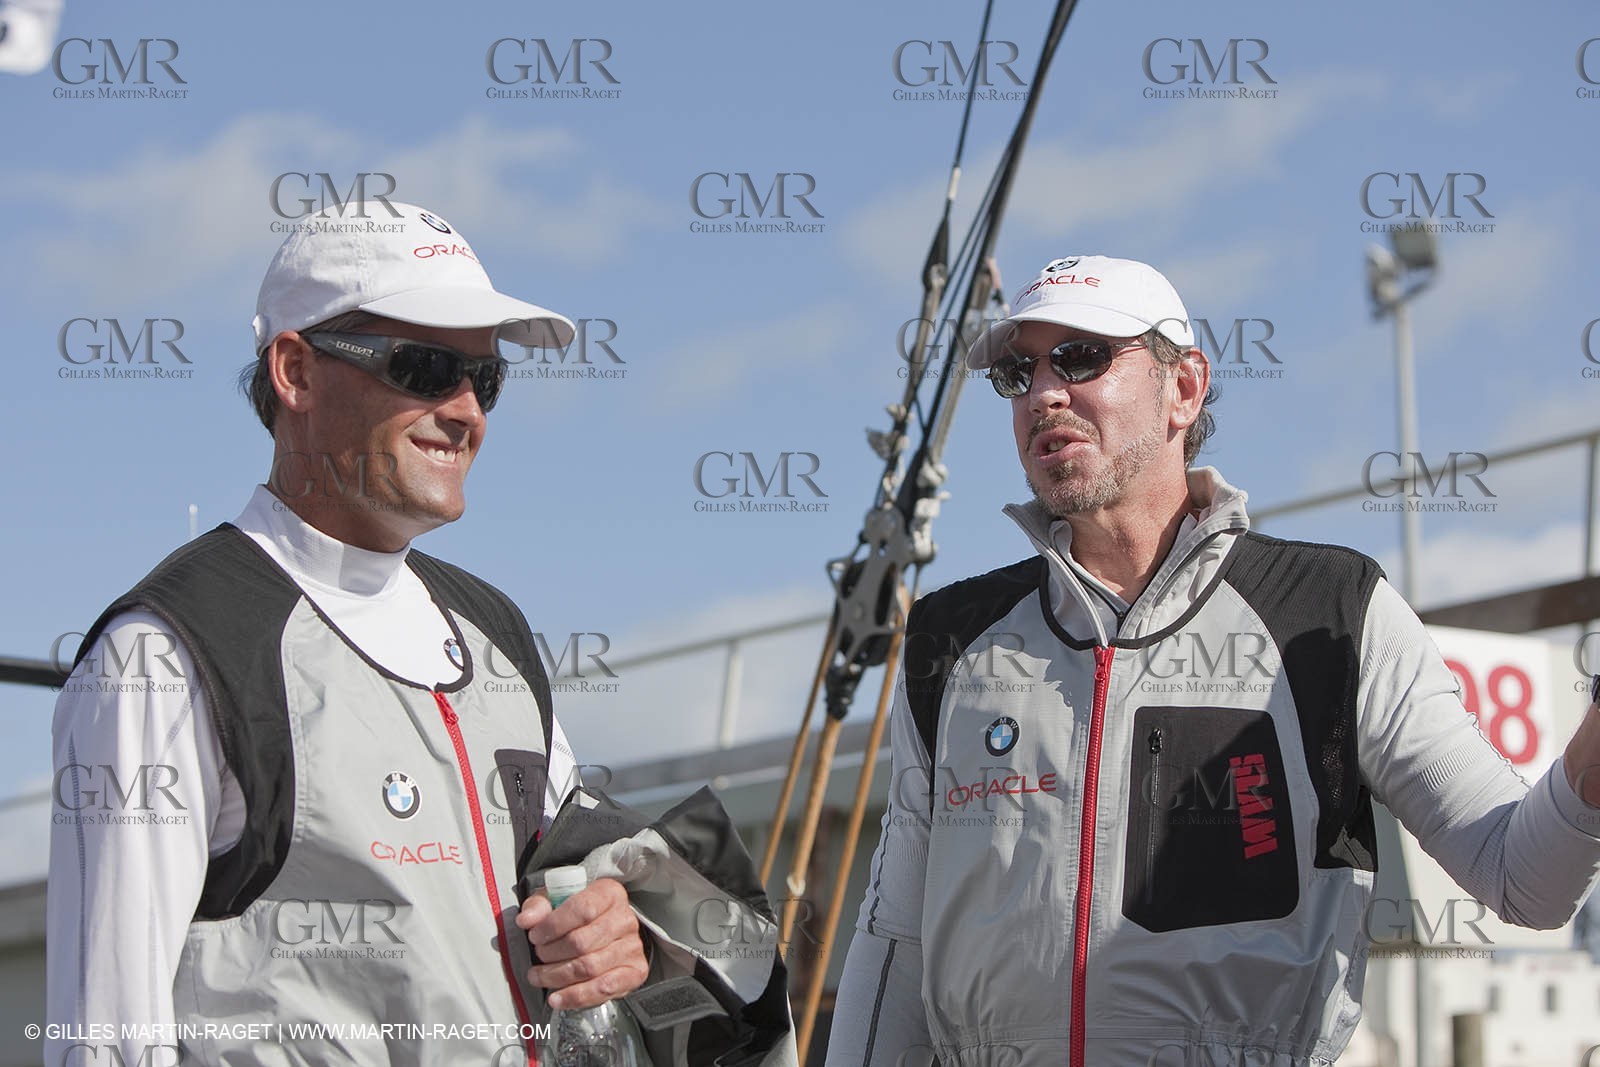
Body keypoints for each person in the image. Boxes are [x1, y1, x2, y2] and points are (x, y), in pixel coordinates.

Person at [826, 255, 1600, 1067]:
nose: (1043, 393)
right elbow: (896, 941)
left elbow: (1525, 878)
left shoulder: (1331, 609)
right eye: (1020, 372)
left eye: (1081, 357)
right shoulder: (951, 640)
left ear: (1185, 388)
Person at [46, 204, 648, 1067]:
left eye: (486, 378)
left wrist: (611, 929)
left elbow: (586, 894)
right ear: (295, 370)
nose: (467, 411)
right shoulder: (163, 654)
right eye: (425, 367)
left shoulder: (497, 631)